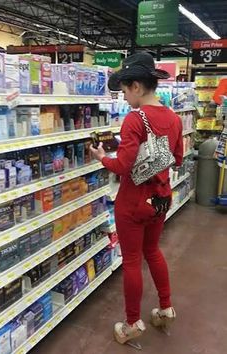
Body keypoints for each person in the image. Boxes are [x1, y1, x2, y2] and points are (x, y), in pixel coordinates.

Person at [90, 53, 183, 346]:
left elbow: (123, 166)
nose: (124, 96)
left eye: (126, 90)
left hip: (133, 202)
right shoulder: (173, 117)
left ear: (138, 87)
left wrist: (103, 157)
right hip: (160, 199)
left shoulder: (134, 119)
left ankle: (132, 324)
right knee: (153, 252)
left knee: (131, 260)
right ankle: (166, 309)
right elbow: (177, 158)